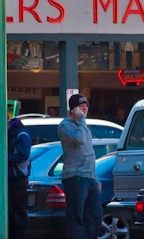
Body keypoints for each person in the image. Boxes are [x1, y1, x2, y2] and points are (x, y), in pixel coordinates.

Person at [59, 94, 101, 239]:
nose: (85, 108)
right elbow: (80, 140)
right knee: (77, 215)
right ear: (73, 109)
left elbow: (89, 152)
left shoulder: (84, 126)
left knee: (95, 215)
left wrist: (95, 177)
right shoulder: (65, 125)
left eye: (86, 105)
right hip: (75, 176)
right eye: (81, 106)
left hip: (89, 176)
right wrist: (82, 120)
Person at [8, 117, 33, 236]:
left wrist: (4, 158)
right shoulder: (14, 135)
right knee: (14, 211)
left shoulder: (20, 135)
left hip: (17, 177)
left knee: (17, 211)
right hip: (13, 177)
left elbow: (23, 155)